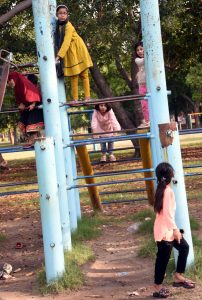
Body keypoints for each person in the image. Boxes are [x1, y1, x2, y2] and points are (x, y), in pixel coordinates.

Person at [153, 162, 195, 298]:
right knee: (162, 260)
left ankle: (178, 276)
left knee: (184, 248)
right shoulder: (167, 191)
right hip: (165, 232)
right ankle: (157, 288)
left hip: (166, 228)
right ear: (170, 176)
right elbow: (167, 214)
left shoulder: (161, 189)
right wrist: (176, 230)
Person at [55, 4, 93, 101]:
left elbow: (66, 42)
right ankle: (75, 99)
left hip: (78, 50)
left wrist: (59, 56)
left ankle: (87, 97)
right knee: (74, 76)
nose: (62, 15)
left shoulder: (68, 26)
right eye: (60, 13)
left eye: (64, 13)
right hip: (70, 53)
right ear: (57, 15)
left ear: (67, 15)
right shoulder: (58, 26)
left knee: (84, 75)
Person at [7, 72, 44, 149]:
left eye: (9, 81)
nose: (9, 83)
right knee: (21, 124)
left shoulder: (24, 83)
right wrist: (21, 104)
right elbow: (19, 99)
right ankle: (30, 141)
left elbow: (34, 93)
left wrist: (33, 104)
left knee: (31, 125)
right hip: (28, 108)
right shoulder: (17, 87)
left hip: (35, 106)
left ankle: (33, 141)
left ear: (14, 79)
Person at [135, 41, 150, 128]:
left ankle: (152, 119)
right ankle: (147, 120)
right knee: (144, 104)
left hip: (150, 84)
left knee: (152, 103)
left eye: (141, 49)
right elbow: (142, 62)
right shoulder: (137, 60)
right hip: (142, 84)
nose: (140, 51)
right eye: (138, 50)